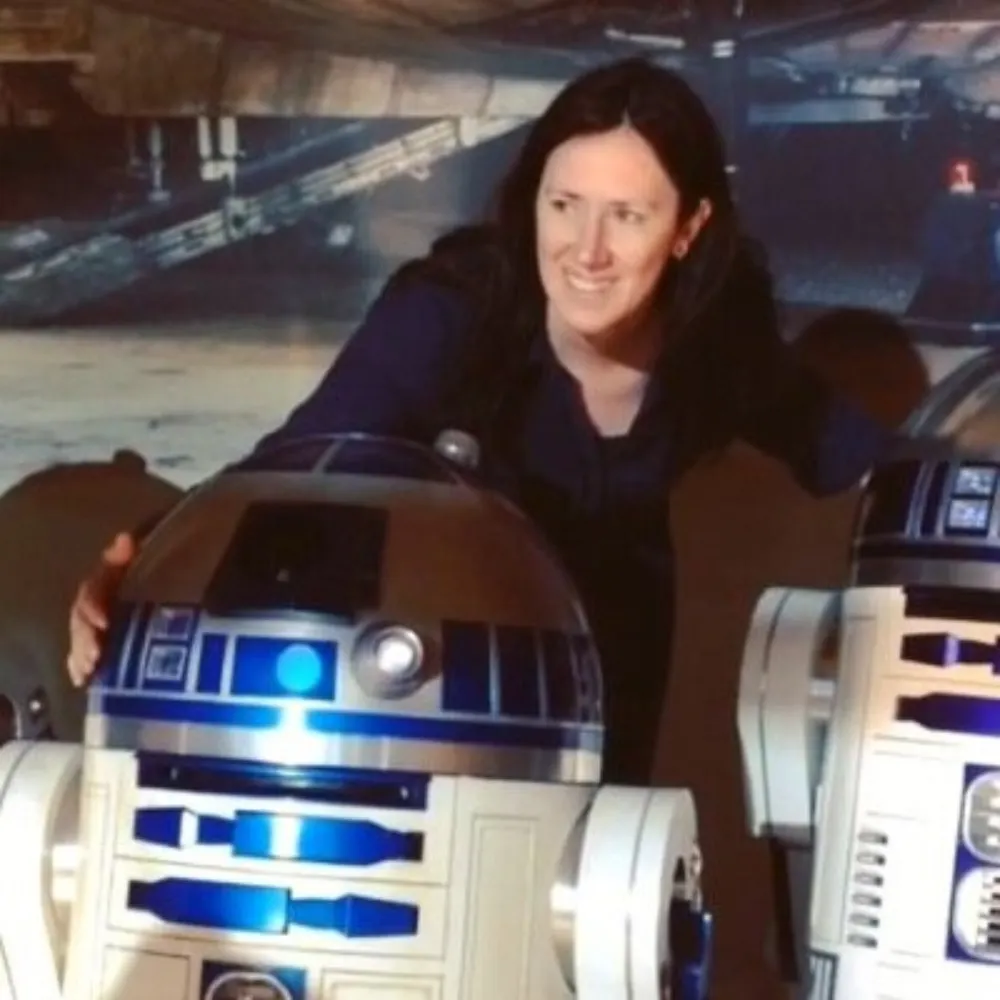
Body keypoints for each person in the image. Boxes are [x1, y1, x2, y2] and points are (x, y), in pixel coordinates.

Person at [65, 56, 898, 785]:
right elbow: (291, 465)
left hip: (615, 673)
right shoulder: (450, 313)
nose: (587, 249)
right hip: (438, 682)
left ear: (689, 227)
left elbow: (872, 466)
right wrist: (142, 559)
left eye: (628, 216)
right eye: (564, 204)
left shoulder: (718, 341)